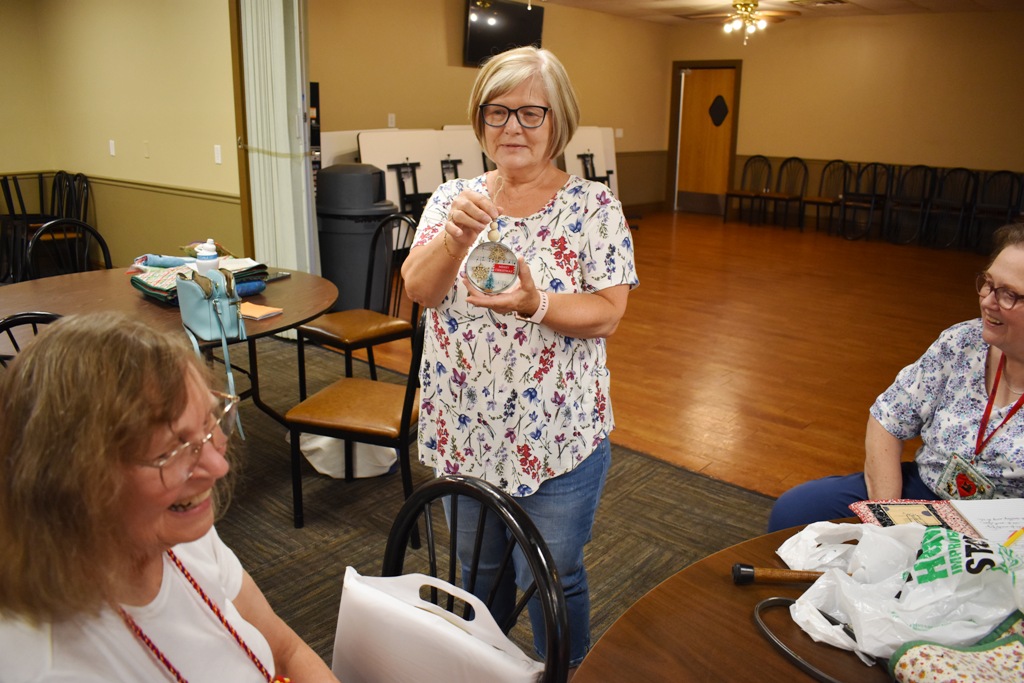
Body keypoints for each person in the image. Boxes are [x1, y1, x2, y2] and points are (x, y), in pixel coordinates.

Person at [401, 46, 637, 669]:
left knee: (554, 576)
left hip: (557, 436)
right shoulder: (452, 199)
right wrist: (456, 236)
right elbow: (420, 290)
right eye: (497, 111)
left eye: (532, 113)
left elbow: (607, 312)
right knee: (477, 572)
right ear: (480, 120)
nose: (512, 127)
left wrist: (536, 303)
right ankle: (489, 669)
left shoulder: (593, 207)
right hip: (465, 426)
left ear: (559, 121)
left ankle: (565, 672)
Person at [0, 313, 338, 683]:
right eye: (171, 451)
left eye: (210, 423)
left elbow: (285, 651)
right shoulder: (56, 666)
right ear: (73, 481)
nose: (218, 467)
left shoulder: (176, 534)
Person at [768, 222, 1024, 532]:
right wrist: (886, 517)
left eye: (1008, 294)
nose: (986, 301)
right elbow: (887, 419)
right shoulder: (962, 342)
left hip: (1001, 529)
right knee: (794, 511)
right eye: (988, 283)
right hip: (925, 492)